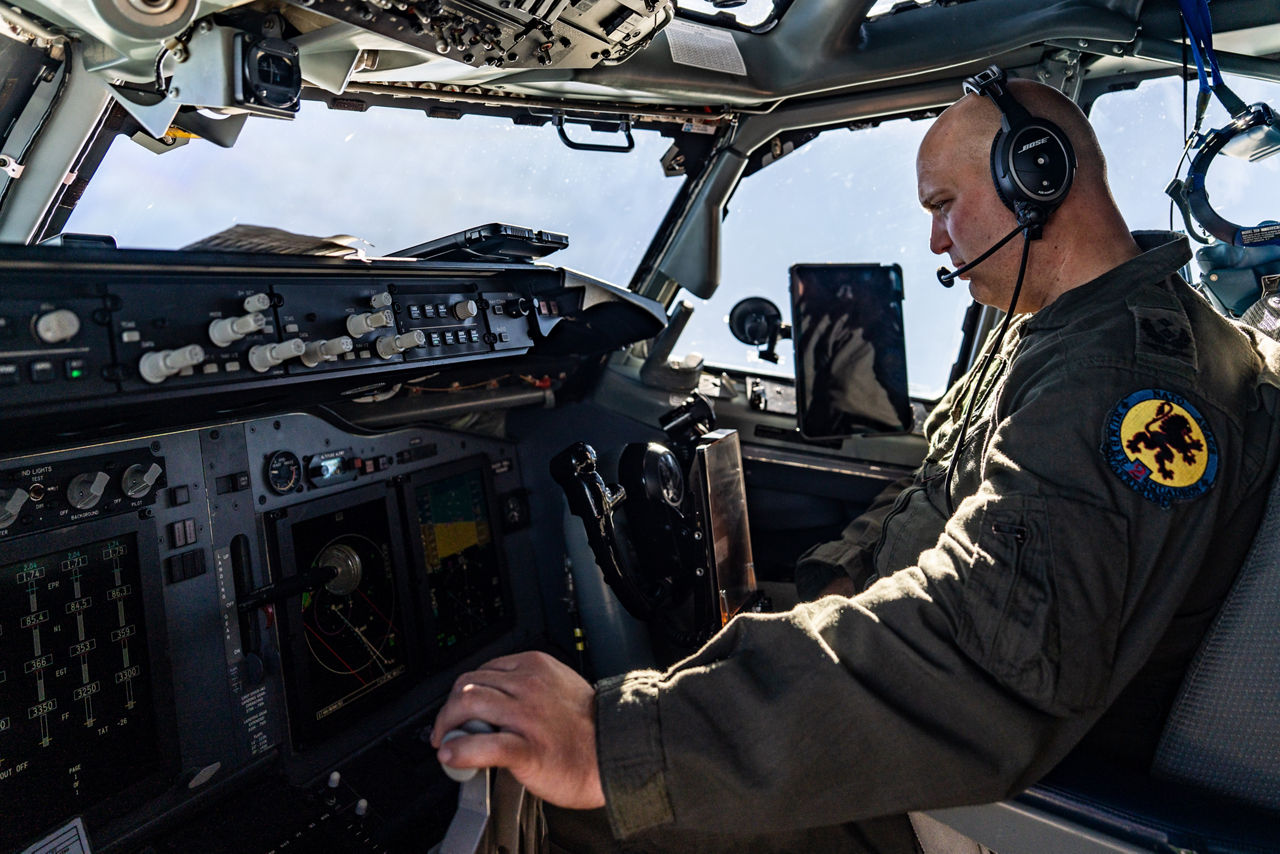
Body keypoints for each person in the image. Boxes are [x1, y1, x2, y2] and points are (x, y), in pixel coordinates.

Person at [429, 77, 1280, 852]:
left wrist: (613, 744)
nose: (938, 238)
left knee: (579, 805)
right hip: (953, 710)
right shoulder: (1056, 333)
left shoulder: (1124, 381)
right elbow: (931, 489)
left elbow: (984, 658)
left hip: (1009, 789)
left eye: (946, 204)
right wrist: (823, 596)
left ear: (1038, 174)